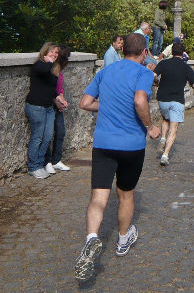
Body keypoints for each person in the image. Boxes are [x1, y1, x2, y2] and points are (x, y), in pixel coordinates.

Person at [76, 33, 161, 282]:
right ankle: (123, 240)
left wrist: (109, 105)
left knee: (98, 196)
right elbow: (139, 100)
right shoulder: (144, 73)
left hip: (103, 144)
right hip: (131, 145)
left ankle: (92, 237)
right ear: (144, 53)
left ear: (123, 50)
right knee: (125, 194)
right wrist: (150, 126)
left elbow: (84, 102)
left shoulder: (106, 71)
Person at [154, 43, 194, 166]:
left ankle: (163, 138)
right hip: (177, 100)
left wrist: (157, 82)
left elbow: (154, 75)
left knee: (165, 118)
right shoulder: (186, 67)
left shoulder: (163, 63)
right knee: (174, 128)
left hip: (163, 98)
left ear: (172, 52)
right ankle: (165, 155)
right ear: (183, 53)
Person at [25, 42, 64, 179]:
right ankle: (33, 166)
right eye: (51, 52)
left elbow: (51, 88)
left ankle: (40, 163)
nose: (54, 55)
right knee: (37, 137)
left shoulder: (52, 68)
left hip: (48, 107)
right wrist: (48, 61)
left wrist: (59, 99)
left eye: (56, 53)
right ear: (44, 52)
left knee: (47, 137)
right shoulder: (39, 65)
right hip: (36, 107)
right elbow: (43, 70)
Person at [44, 45, 72, 173]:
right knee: (48, 134)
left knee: (60, 132)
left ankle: (56, 160)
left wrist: (62, 100)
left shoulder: (59, 69)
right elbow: (49, 89)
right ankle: (47, 161)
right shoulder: (51, 68)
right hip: (49, 104)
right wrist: (58, 101)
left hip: (57, 103)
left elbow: (59, 89)